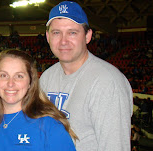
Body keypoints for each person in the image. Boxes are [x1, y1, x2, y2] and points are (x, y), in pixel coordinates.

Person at [40, 1, 133, 151]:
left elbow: (115, 147)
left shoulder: (107, 82)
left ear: (88, 36)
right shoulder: (46, 77)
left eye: (72, 32)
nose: (63, 41)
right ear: (48, 36)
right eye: (56, 32)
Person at [0, 49, 76, 151]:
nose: (10, 83)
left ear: (30, 82)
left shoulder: (49, 126)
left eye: (19, 76)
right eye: (3, 75)